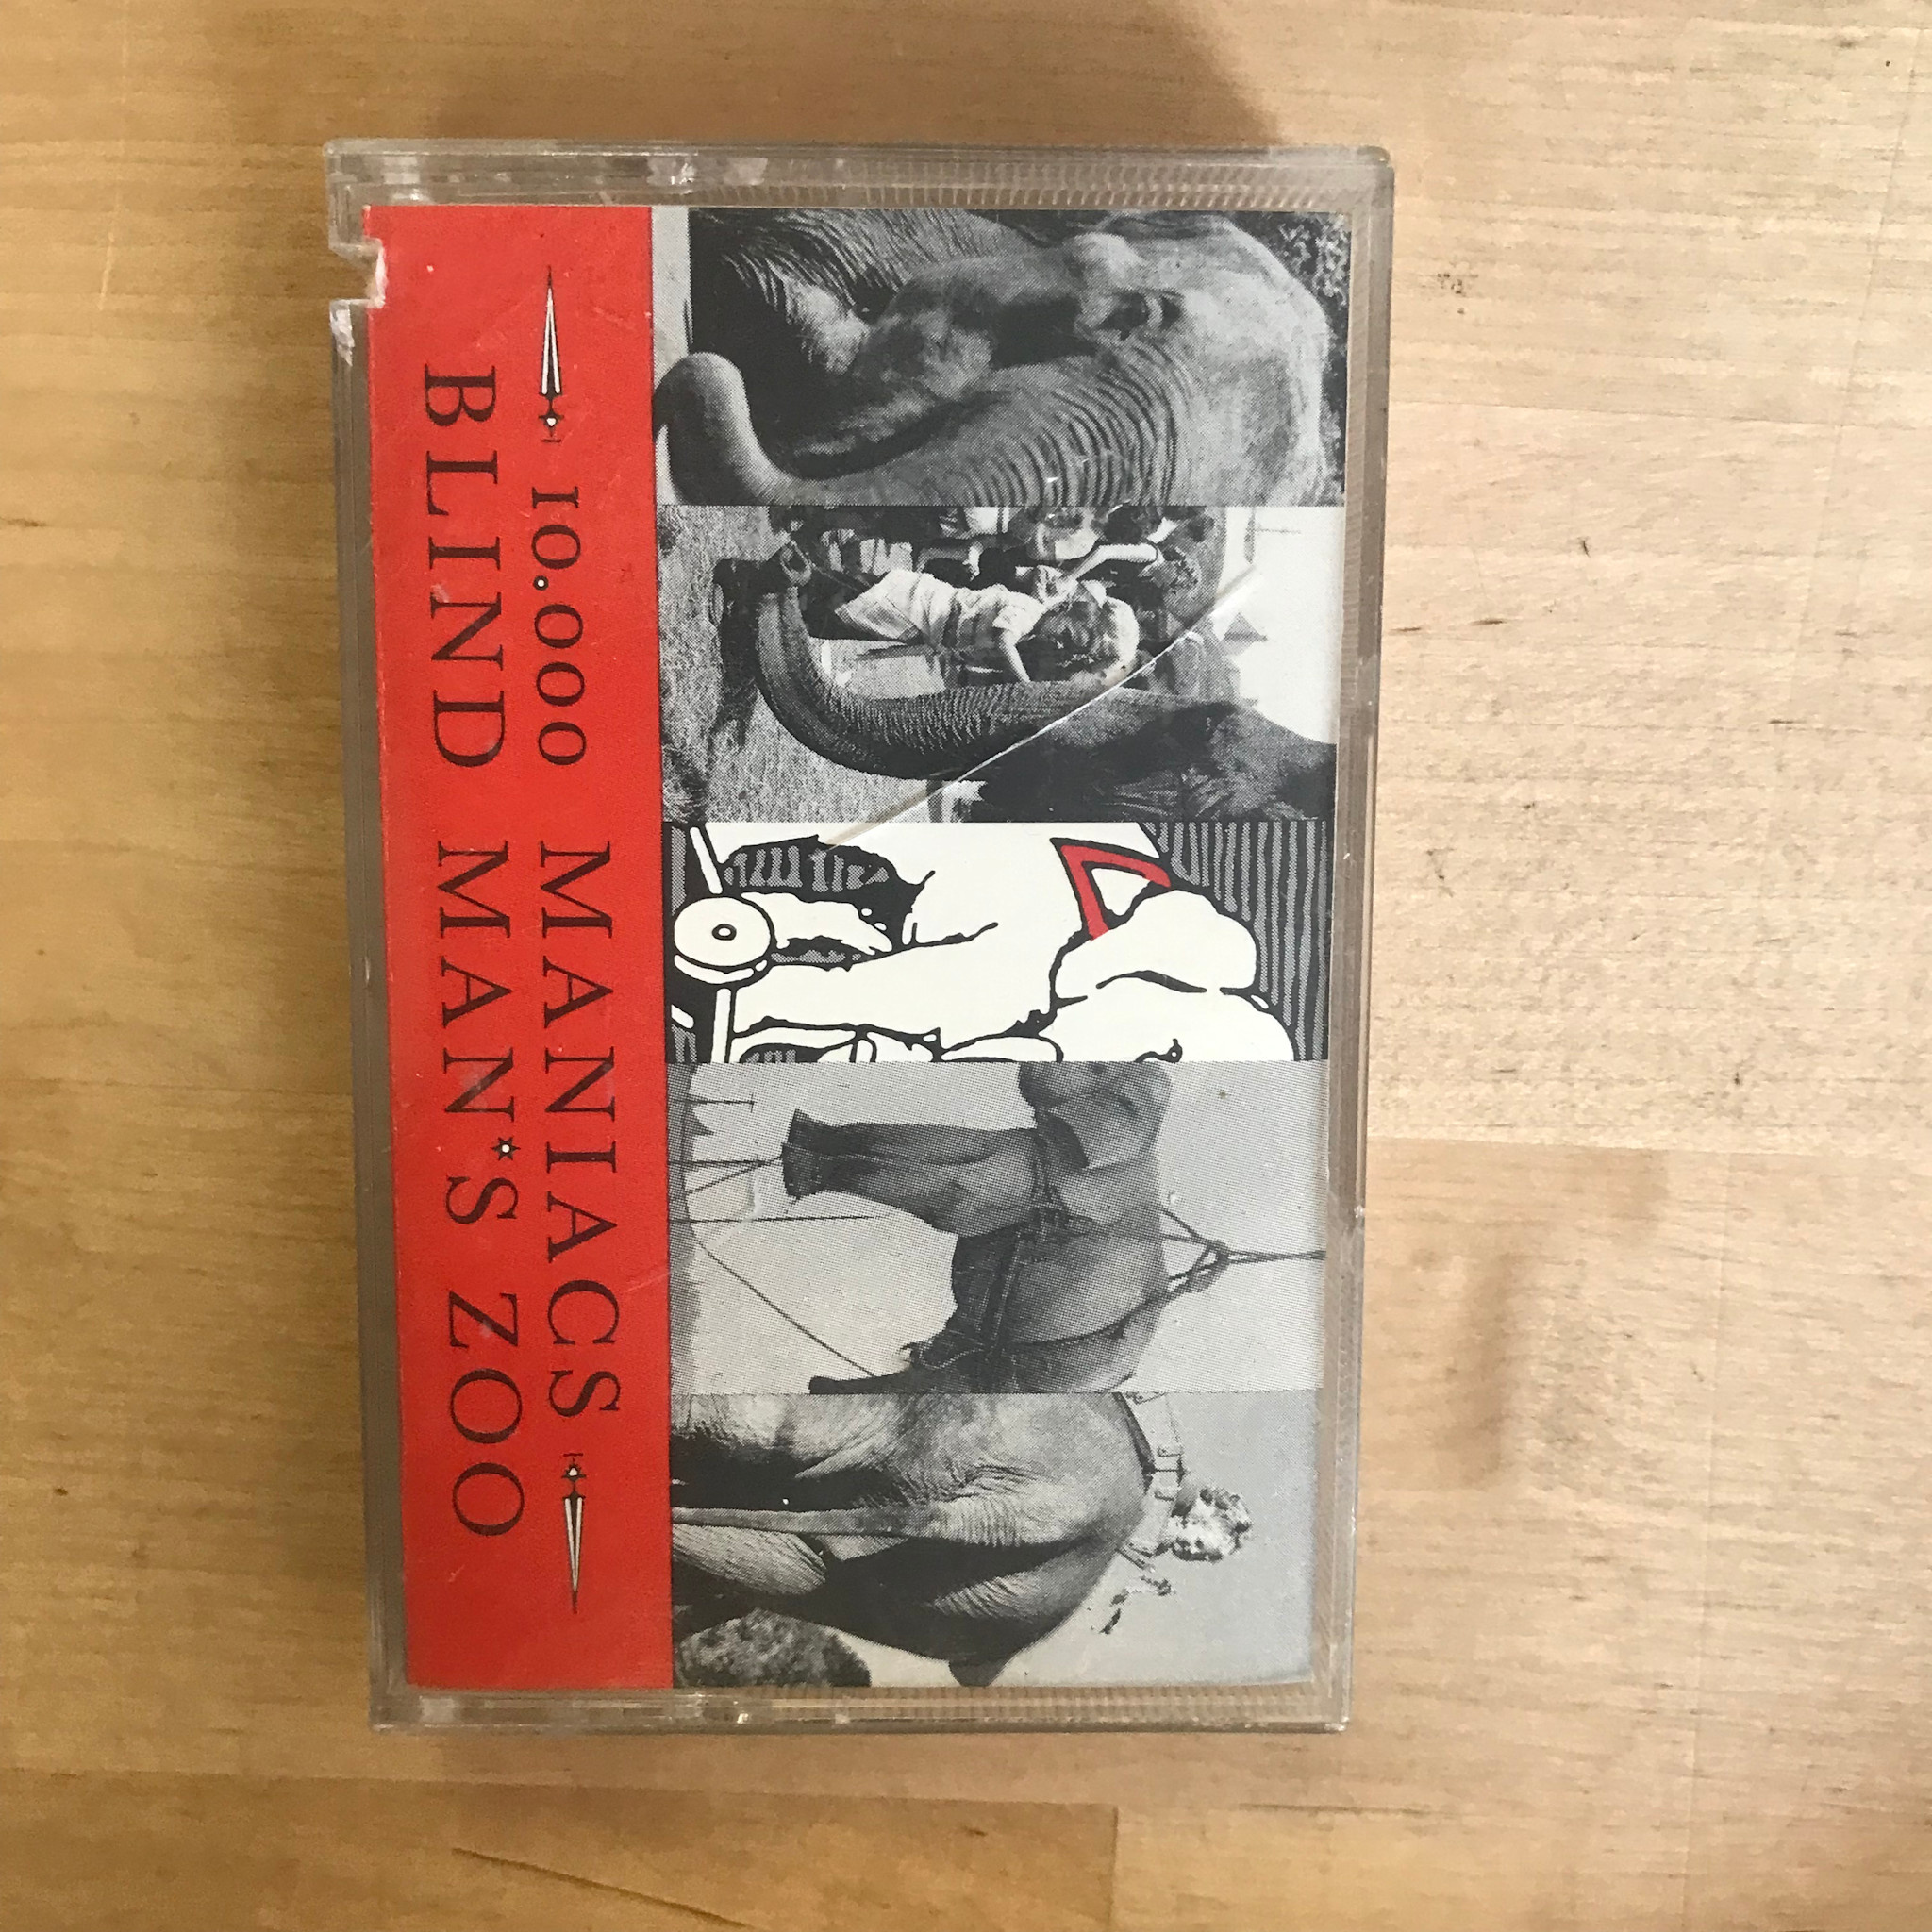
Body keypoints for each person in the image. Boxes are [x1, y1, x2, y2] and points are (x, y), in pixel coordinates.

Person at [789, 543, 1142, 691]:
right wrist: (1024, 685)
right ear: (1066, 610)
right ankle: (793, 579)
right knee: (848, 593)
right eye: (1068, 635)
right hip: (920, 601)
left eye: (1069, 649)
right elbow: (1003, 641)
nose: (1060, 644)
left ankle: (795, 609)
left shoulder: (1034, 630)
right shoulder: (1030, 612)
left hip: (921, 625)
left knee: (846, 620)